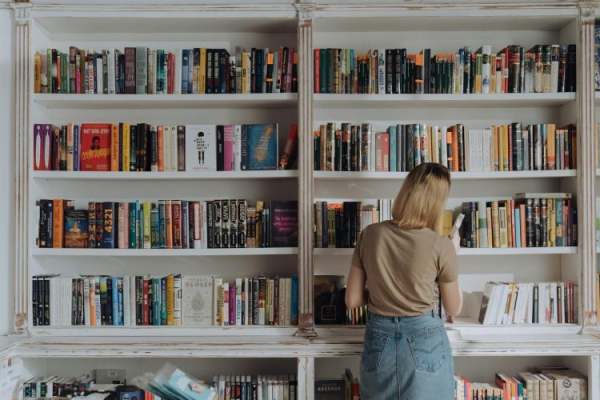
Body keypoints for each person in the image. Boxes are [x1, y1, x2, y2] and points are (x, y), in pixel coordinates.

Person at [345, 162, 462, 400]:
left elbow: (353, 300)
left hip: (379, 335)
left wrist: (382, 292)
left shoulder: (369, 234)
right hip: (424, 336)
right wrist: (453, 252)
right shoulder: (441, 244)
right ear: (436, 202)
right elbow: (454, 308)